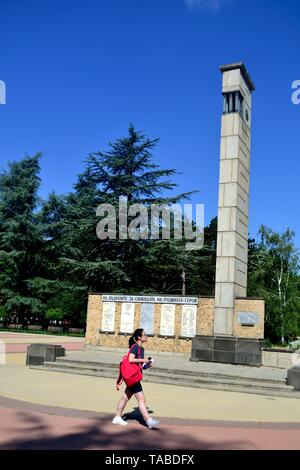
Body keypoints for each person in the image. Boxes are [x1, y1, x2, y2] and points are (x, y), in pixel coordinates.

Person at [112, 328, 160, 429]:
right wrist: (143, 359)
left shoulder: (141, 349)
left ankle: (117, 417)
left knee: (125, 398)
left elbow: (139, 365)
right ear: (139, 337)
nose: (146, 336)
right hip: (133, 377)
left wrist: (146, 365)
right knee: (141, 399)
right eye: (144, 335)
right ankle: (149, 421)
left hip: (133, 376)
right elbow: (130, 359)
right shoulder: (135, 347)